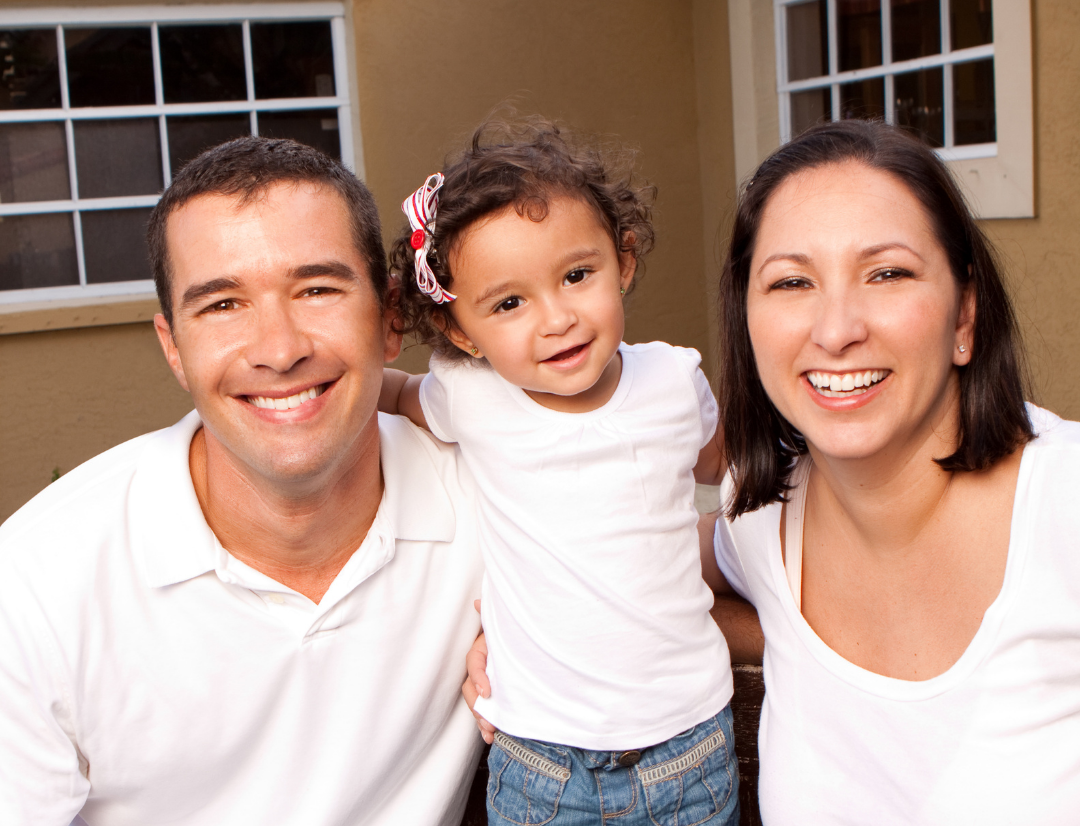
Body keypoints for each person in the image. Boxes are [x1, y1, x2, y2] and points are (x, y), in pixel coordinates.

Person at [0, 137, 484, 825]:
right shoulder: (33, 586)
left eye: (317, 289)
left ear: (390, 316)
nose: (280, 349)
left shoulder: (500, 505)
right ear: (173, 346)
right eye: (223, 305)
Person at [705, 119, 1080, 824]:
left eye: (887, 273)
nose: (837, 328)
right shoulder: (763, 516)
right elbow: (636, 570)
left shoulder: (1065, 505)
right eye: (791, 281)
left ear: (965, 314)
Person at [379, 116, 739, 826]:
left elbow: (735, 473)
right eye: (508, 303)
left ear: (624, 261)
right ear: (460, 333)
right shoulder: (470, 395)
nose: (557, 319)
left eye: (577, 275)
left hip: (690, 746)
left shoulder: (674, 378)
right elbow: (382, 392)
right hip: (543, 763)